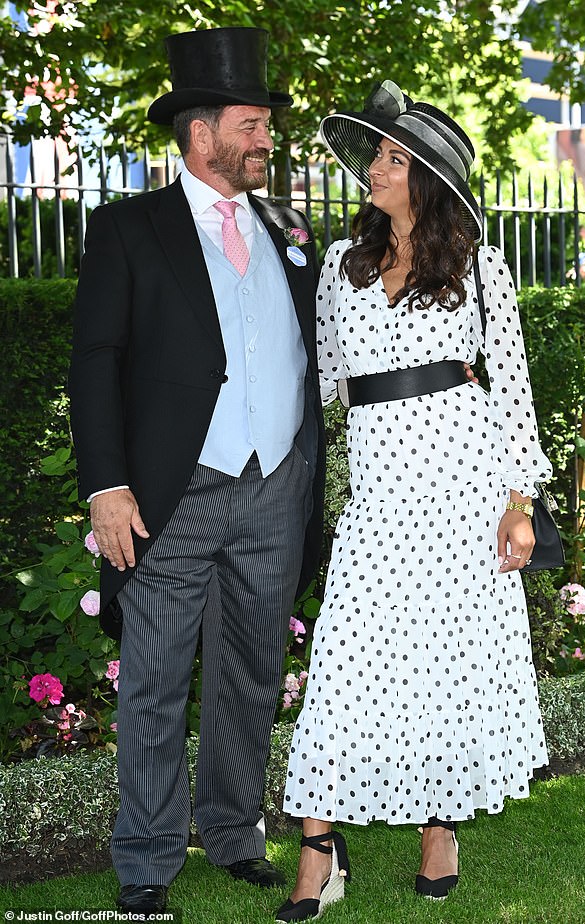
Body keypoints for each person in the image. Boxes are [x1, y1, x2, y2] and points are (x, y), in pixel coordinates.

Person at [275, 80, 553, 922]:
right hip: (382, 492)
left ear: (428, 179)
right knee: (342, 667)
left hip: (463, 484)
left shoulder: (477, 264)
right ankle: (318, 851)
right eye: (378, 155)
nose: (376, 169)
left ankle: (441, 828)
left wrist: (518, 501)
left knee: (448, 662)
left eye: (394, 159)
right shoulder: (339, 266)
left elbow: (510, 386)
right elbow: (318, 380)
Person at [68, 27, 325, 916]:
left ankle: (232, 833)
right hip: (170, 493)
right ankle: (144, 858)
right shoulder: (129, 228)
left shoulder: (292, 229)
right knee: (154, 678)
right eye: (252, 125)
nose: (266, 142)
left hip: (276, 487)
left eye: (266, 126)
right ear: (201, 131)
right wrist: (106, 486)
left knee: (254, 671)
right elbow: (94, 360)